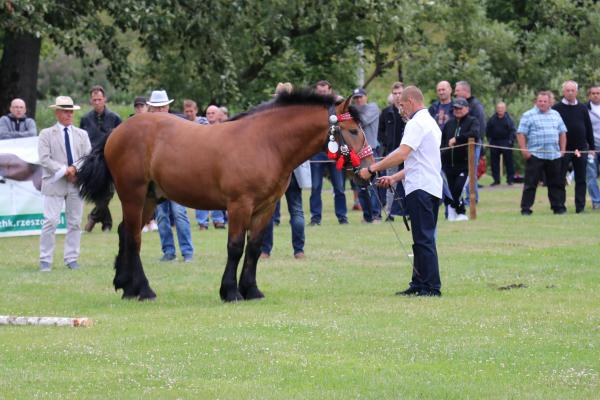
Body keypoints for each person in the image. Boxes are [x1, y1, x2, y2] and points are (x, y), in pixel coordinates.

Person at [358, 86, 443, 297]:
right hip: (430, 186)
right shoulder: (431, 122)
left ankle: (431, 287)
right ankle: (419, 283)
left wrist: (372, 169)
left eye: (402, 105)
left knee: (423, 239)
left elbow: (402, 153)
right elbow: (419, 161)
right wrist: (395, 177)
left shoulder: (416, 123)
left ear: (411, 101)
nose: (401, 110)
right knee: (421, 237)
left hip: (420, 188)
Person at [37, 96, 91, 271]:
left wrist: (74, 168)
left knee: (75, 222)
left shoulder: (82, 134)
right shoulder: (46, 134)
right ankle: (45, 259)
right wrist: (65, 170)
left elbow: (87, 156)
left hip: (76, 183)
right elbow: (44, 159)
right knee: (50, 221)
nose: (69, 114)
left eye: (71, 111)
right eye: (65, 111)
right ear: (57, 113)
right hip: (54, 183)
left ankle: (71, 258)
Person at [261, 82, 307, 259]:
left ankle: (265, 250)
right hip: (295, 168)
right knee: (296, 210)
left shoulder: (269, 118)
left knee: (269, 210)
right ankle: (299, 250)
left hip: (274, 169)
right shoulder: (300, 118)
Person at [147, 90, 194, 262]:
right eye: (157, 107)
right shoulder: (147, 129)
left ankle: (187, 251)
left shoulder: (179, 125)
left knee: (179, 213)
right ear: (151, 109)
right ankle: (168, 251)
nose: (160, 110)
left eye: (163, 107)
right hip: (157, 179)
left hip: (176, 177)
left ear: (167, 107)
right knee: (161, 216)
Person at [517, 91, 567, 215]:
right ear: (536, 101)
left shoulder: (556, 114)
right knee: (530, 184)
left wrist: (562, 150)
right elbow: (521, 133)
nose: (542, 103)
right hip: (535, 155)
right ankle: (526, 209)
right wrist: (524, 150)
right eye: (540, 101)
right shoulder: (528, 115)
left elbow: (562, 133)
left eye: (545, 101)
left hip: (554, 155)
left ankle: (558, 207)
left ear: (550, 102)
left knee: (556, 183)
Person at [80, 85, 122, 232]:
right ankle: (107, 223)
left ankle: (93, 217)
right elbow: (81, 139)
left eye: (99, 99)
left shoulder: (115, 118)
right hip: (93, 160)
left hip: (110, 159)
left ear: (105, 99)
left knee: (109, 192)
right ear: (91, 101)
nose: (97, 102)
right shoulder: (85, 119)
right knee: (98, 191)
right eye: (94, 100)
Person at [308, 80, 348, 226]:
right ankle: (315, 218)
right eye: (320, 92)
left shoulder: (338, 104)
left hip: (335, 151)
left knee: (339, 187)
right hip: (317, 152)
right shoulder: (311, 107)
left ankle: (342, 217)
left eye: (324, 92)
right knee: (315, 187)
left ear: (330, 90)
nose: (322, 94)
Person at [552, 80, 595, 213]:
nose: (570, 93)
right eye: (567, 90)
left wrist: (592, 147)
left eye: (572, 90)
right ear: (563, 92)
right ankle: (560, 207)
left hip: (581, 149)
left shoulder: (582, 108)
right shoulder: (556, 108)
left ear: (576, 92)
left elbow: (588, 128)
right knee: (560, 179)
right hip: (563, 149)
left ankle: (580, 207)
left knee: (581, 179)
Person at [441, 97, 480, 221]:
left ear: (467, 108)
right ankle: (456, 212)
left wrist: (457, 139)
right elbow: (443, 141)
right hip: (448, 164)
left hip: (464, 164)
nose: (457, 110)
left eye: (460, 108)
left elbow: (475, 134)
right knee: (450, 190)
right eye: (455, 108)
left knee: (458, 188)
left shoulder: (472, 121)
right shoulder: (449, 124)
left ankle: (459, 211)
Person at [352, 87, 381, 223]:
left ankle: (376, 215)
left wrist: (350, 115)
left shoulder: (373, 107)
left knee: (372, 185)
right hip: (357, 153)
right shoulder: (353, 110)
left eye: (360, 97)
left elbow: (362, 121)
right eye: (356, 98)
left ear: (366, 97)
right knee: (360, 186)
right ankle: (367, 216)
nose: (358, 100)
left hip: (371, 151)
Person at [377, 81, 406, 220]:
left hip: (407, 152)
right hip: (392, 153)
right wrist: (387, 144)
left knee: (408, 183)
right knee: (390, 183)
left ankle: (411, 211)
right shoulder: (386, 112)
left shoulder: (408, 111)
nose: (398, 96)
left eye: (400, 93)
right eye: (395, 93)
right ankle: (389, 212)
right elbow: (380, 132)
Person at [195, 104, 227, 230]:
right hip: (202, 166)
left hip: (219, 167)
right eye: (208, 113)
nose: (210, 115)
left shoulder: (225, 129)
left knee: (218, 194)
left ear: (218, 114)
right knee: (200, 192)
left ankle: (218, 220)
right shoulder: (200, 128)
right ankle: (202, 222)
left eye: (213, 113)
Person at [455, 80, 485, 200]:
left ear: (465, 91)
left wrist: (476, 144)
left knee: (471, 172)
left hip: (472, 144)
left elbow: (480, 128)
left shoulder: (476, 106)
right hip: (461, 144)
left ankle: (471, 198)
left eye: (457, 90)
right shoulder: (459, 105)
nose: (455, 93)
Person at [486, 102, 516, 186]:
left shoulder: (509, 119)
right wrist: (489, 140)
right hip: (494, 142)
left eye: (502, 108)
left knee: (509, 162)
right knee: (494, 162)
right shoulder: (492, 119)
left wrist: (510, 141)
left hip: (506, 142)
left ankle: (510, 180)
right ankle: (496, 180)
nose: (500, 110)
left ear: (505, 109)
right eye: (498, 108)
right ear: (496, 109)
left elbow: (513, 131)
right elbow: (488, 130)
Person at [586, 85, 600, 210]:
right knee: (591, 175)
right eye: (593, 93)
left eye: (598, 93)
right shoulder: (584, 109)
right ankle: (596, 201)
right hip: (591, 148)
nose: (596, 95)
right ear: (589, 95)